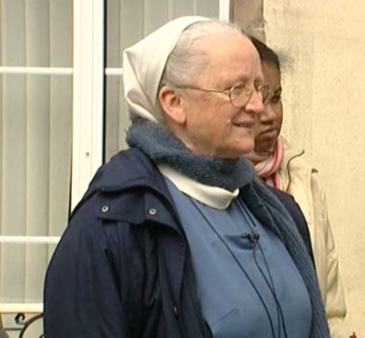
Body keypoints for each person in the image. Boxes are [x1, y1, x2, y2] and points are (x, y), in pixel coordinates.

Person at [44, 16, 330, 338]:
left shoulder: (278, 213)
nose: (257, 106)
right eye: (237, 89)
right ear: (174, 103)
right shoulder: (114, 227)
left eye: (258, 88)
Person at [246, 37, 347, 338]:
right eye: (259, 98)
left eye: (275, 97)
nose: (271, 115)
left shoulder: (304, 180)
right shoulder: (210, 188)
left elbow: (331, 302)